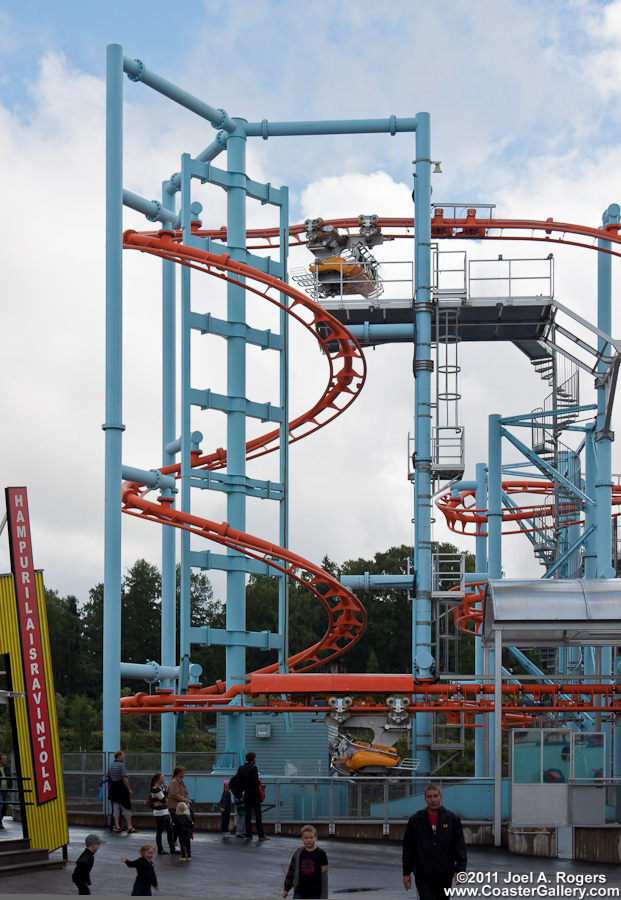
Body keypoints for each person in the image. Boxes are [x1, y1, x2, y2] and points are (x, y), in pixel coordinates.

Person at [402, 783, 467, 899]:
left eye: (436, 796)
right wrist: (406, 873)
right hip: (423, 874)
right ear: (425, 799)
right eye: (429, 797)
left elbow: (459, 846)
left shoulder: (452, 819)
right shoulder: (416, 820)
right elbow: (409, 848)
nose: (433, 800)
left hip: (444, 874)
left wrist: (460, 870)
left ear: (441, 798)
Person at [282, 824, 328, 899]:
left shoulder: (321, 854)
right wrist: (286, 889)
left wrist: (324, 896)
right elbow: (291, 871)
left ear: (316, 837)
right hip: (299, 892)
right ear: (301, 839)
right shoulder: (298, 853)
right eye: (306, 838)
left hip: (315, 893)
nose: (308, 840)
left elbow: (324, 877)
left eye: (311, 837)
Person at [237, 751, 268, 841]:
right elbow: (255, 780)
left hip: (246, 793)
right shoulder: (254, 768)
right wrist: (259, 781)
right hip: (254, 793)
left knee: (248, 815)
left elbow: (239, 782)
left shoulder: (241, 768)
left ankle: (248, 834)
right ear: (253, 759)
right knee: (258, 814)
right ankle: (261, 834)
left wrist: (240, 794)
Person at [107, 750, 137, 834]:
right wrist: (129, 789)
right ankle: (129, 826)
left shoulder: (110, 765)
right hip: (121, 789)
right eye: (123, 756)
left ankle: (117, 826)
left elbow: (108, 776)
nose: (124, 757)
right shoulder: (121, 766)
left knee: (115, 809)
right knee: (126, 808)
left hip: (113, 789)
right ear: (119, 756)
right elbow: (124, 778)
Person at [149, 772, 177, 855]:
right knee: (161, 830)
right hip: (160, 812)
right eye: (162, 778)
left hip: (164, 811)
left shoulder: (159, 788)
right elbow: (164, 800)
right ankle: (160, 849)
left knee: (169, 829)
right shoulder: (156, 789)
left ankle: (171, 848)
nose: (163, 780)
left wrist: (165, 789)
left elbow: (164, 796)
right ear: (158, 779)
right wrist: (166, 796)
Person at [168, 765, 192, 840]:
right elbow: (175, 794)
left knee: (182, 826)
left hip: (181, 807)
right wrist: (186, 800)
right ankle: (174, 843)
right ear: (178, 773)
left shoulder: (181, 782)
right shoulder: (174, 782)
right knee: (176, 826)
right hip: (175, 807)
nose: (184, 773)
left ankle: (182, 842)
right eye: (183, 772)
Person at [0, 753, 11, 829]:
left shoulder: (7, 768)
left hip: (5, 789)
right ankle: (0, 823)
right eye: (4, 759)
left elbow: (10, 779)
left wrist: (9, 790)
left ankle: (0, 820)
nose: (5, 760)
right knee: (0, 805)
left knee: (5, 805)